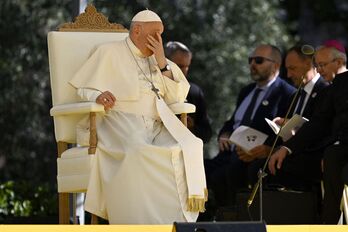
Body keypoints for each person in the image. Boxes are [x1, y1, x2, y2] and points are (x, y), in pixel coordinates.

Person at [69, 9, 207, 224]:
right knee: (138, 152)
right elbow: (83, 89)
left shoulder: (159, 59)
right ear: (136, 31)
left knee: (187, 147)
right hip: (121, 121)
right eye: (155, 34)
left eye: (161, 34)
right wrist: (98, 95)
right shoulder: (109, 52)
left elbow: (178, 97)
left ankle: (174, 223)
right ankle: (139, 223)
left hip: (158, 123)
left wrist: (162, 63)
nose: (159, 40)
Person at [205, 44, 296, 209]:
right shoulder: (246, 91)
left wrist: (266, 149)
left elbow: (283, 131)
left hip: (252, 157)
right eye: (250, 60)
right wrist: (224, 133)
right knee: (199, 169)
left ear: (275, 65)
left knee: (226, 176)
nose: (252, 64)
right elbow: (233, 121)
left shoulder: (287, 93)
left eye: (259, 60)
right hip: (228, 153)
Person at [268, 40, 348, 224]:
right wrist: (286, 148)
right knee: (332, 156)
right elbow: (318, 124)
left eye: (322, 65)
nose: (318, 70)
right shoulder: (332, 90)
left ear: (339, 62)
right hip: (339, 150)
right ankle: (330, 225)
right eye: (317, 65)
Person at [267, 45, 328, 190]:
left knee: (277, 167)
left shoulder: (325, 90)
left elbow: (320, 126)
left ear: (308, 64)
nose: (288, 75)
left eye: (292, 68)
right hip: (294, 151)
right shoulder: (296, 95)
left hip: (314, 155)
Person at [164, 41, 213, 143]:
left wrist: (191, 127)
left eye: (187, 66)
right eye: (180, 66)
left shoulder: (195, 92)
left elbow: (206, 134)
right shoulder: (153, 88)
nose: (184, 71)